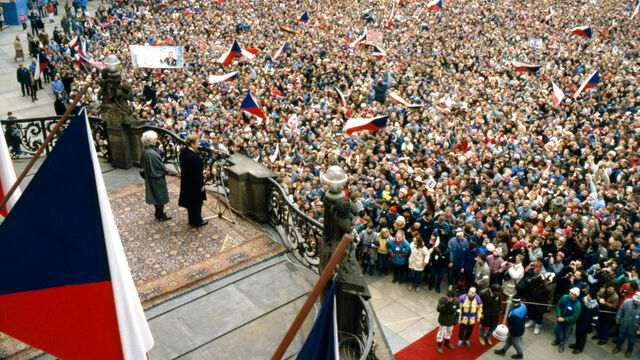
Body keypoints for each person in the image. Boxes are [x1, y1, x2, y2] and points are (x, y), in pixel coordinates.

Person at [140, 131, 171, 222]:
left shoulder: (145, 149)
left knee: (155, 195)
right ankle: (160, 214)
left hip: (150, 175)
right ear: (151, 141)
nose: (157, 140)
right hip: (156, 177)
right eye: (155, 139)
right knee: (160, 196)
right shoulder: (152, 153)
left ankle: (158, 213)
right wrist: (166, 171)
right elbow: (160, 166)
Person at [178, 134, 207, 227]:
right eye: (197, 142)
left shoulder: (183, 151)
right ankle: (197, 221)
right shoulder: (192, 156)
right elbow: (195, 173)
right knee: (197, 203)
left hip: (187, 182)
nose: (199, 144)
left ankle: (192, 219)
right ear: (192, 144)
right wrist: (201, 184)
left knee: (190, 203)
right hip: (194, 184)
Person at [552, 287, 582, 353]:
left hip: (569, 323)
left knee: (566, 334)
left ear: (576, 296)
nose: (570, 294)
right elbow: (558, 306)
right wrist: (559, 315)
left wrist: (564, 319)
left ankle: (563, 343)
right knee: (556, 330)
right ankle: (557, 340)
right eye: (570, 292)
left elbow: (574, 317)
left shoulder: (578, 305)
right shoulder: (564, 297)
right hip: (560, 318)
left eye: (572, 294)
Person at [570, 290, 599, 354]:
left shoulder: (595, 306)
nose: (588, 297)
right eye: (588, 295)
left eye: (590, 297)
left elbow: (595, 318)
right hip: (579, 321)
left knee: (582, 337)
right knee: (577, 334)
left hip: (586, 324)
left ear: (593, 298)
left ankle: (580, 348)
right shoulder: (583, 300)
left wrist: (592, 326)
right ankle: (576, 344)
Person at [613, 292, 640, 357]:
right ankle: (618, 347)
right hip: (624, 324)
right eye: (636, 301)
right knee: (620, 337)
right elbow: (621, 310)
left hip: (634, 327)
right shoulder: (627, 302)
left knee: (632, 340)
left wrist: (639, 329)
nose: (636, 302)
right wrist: (618, 318)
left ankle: (629, 350)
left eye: (638, 301)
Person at [436, 290, 459, 354]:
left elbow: (458, 310)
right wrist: (445, 304)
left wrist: (456, 319)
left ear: (453, 298)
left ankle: (447, 343)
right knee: (440, 333)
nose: (448, 299)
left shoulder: (456, 302)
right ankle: (439, 346)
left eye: (450, 298)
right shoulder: (442, 300)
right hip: (443, 320)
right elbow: (438, 309)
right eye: (447, 297)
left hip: (450, 320)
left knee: (449, 332)